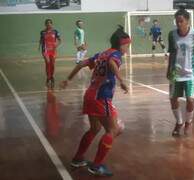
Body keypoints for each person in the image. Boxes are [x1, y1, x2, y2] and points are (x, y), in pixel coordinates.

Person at [60, 26, 130, 176]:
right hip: (101, 97)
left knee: (94, 129)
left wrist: (68, 79)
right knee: (114, 130)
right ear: (121, 44)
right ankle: (96, 165)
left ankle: (78, 159)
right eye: (127, 45)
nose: (127, 48)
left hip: (89, 95)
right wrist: (122, 80)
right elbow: (112, 63)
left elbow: (80, 64)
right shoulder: (116, 54)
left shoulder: (101, 54)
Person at [167, 8, 194, 136]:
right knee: (173, 99)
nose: (179, 24)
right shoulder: (172, 34)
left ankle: (188, 122)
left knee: (190, 99)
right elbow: (172, 52)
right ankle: (179, 122)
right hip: (176, 71)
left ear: (187, 21)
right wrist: (169, 68)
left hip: (192, 71)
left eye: (181, 21)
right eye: (177, 21)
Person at [39, 19, 61, 88]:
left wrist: (56, 44)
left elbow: (60, 40)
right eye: (47, 23)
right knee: (48, 63)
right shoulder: (42, 32)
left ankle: (51, 76)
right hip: (45, 50)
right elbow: (41, 40)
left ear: (52, 24)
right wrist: (41, 45)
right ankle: (48, 77)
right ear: (45, 24)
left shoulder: (55, 31)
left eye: (50, 23)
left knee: (52, 64)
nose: (49, 24)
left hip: (53, 50)